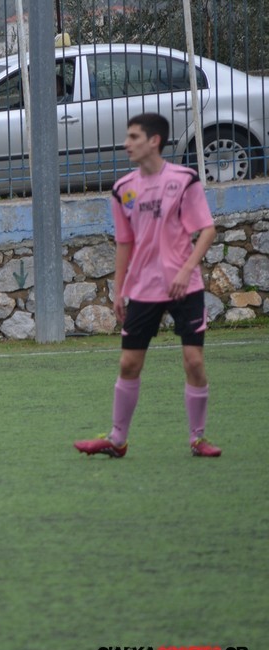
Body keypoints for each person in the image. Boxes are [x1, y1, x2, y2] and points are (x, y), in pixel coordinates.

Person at [74, 112, 222, 459]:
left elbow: (207, 229)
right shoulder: (123, 190)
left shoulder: (184, 180)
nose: (127, 144)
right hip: (143, 288)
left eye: (134, 137)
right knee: (129, 364)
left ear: (154, 141)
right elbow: (124, 242)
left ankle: (198, 439)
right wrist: (119, 289)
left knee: (194, 362)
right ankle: (117, 439)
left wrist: (186, 270)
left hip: (184, 286)